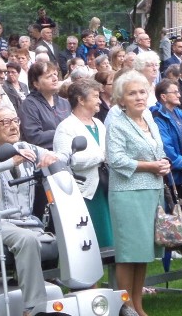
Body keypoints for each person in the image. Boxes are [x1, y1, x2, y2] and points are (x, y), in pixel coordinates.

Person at [0, 104, 60, 316]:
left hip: (27, 223)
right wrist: (9, 161)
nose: (13, 126)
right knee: (26, 239)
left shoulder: (27, 147)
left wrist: (54, 158)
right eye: (5, 122)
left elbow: (59, 156)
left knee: (66, 233)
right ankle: (33, 309)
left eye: (15, 120)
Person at [105, 70, 169, 316]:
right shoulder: (118, 123)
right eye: (132, 93)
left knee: (143, 252)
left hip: (153, 189)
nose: (139, 97)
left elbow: (156, 151)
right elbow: (116, 160)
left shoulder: (150, 119)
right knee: (129, 253)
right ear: (121, 99)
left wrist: (162, 163)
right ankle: (126, 306)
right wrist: (151, 166)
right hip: (127, 194)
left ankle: (138, 304)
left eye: (142, 92)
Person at [54, 78, 113, 248]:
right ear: (80, 99)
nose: (99, 100)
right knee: (92, 243)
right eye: (95, 96)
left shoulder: (99, 124)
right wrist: (102, 155)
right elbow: (68, 160)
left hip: (105, 186)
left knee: (112, 239)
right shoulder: (66, 127)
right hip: (85, 192)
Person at [151, 79, 182, 195]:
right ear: (164, 96)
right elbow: (165, 145)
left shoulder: (179, 113)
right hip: (172, 174)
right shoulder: (158, 117)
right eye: (175, 92)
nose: (179, 95)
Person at [20, 61, 70, 150]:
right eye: (49, 76)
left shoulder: (64, 102)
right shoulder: (29, 105)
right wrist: (64, 133)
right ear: (36, 84)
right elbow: (34, 137)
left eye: (55, 74)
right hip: (45, 157)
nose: (55, 78)